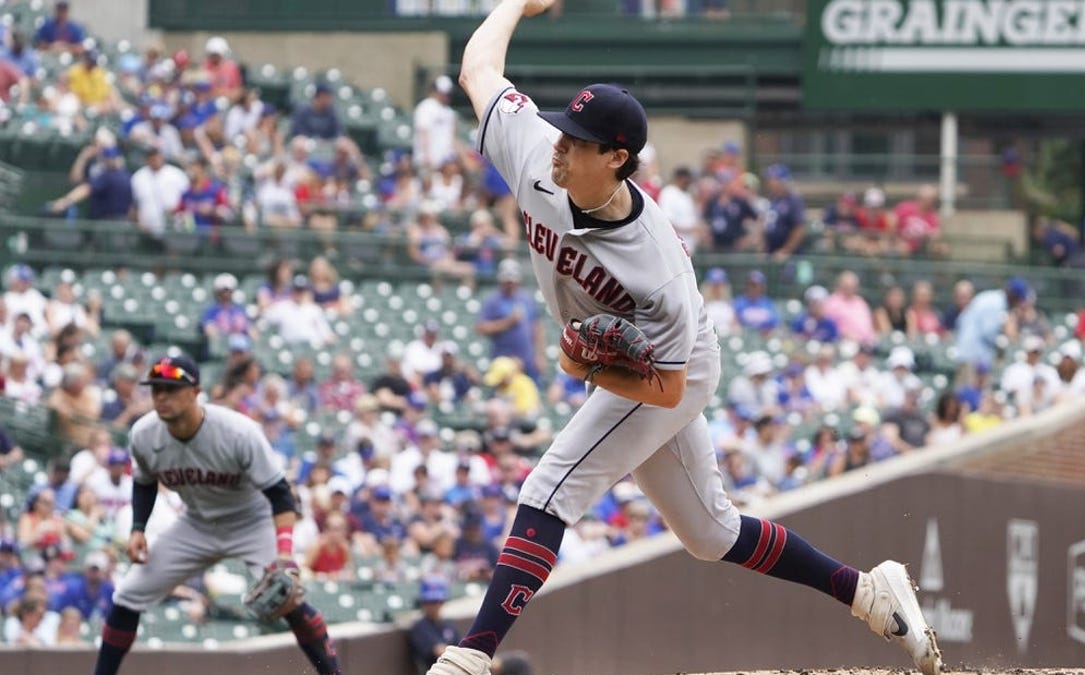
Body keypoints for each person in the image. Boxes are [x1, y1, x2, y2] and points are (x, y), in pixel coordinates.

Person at [430, 3, 946, 674]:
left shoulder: (659, 266)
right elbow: (478, 67)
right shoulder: (535, 152)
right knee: (710, 533)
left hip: (676, 366)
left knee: (549, 489)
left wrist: (573, 362)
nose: (559, 146)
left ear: (618, 158)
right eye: (561, 133)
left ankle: (472, 654)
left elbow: (669, 387)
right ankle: (866, 592)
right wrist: (515, 4)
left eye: (577, 142)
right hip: (625, 361)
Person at [91, 355, 341, 674]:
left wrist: (284, 554)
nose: (162, 397)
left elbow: (280, 495)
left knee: (287, 599)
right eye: (156, 390)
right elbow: (143, 482)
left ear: (196, 392)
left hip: (252, 520)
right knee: (128, 595)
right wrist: (138, 527)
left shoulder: (237, 431)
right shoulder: (144, 433)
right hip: (197, 523)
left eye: (171, 389)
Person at [410, 576, 462, 673]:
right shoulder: (420, 627)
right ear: (423, 602)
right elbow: (439, 651)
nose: (433, 606)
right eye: (429, 602)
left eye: (436, 601)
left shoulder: (449, 624)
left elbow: (461, 647)